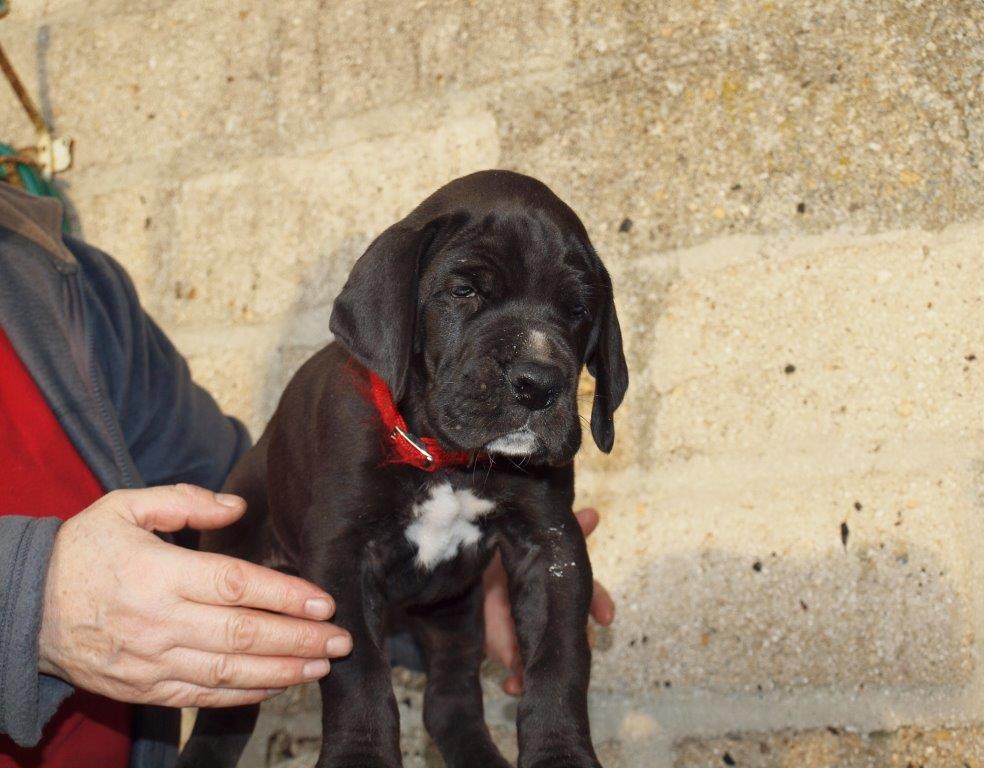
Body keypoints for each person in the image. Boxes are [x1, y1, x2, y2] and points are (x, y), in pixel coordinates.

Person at [0, 181, 615, 768]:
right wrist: (29, 599)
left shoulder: (72, 283)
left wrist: (471, 563)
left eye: (574, 310)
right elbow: (289, 520)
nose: (540, 364)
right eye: (467, 292)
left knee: (465, 691)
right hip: (277, 574)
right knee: (228, 728)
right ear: (391, 311)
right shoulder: (356, 407)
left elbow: (214, 493)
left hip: (387, 586)